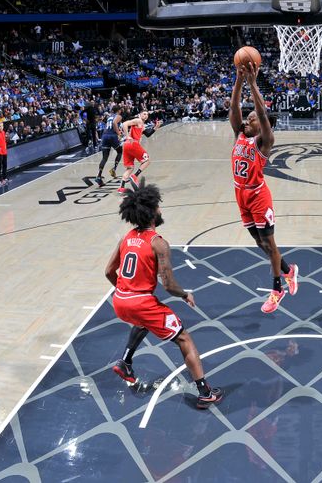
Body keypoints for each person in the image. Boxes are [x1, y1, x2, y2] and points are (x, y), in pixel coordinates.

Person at [104, 179, 223, 409]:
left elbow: (109, 271)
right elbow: (168, 284)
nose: (160, 209)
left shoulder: (126, 239)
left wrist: (123, 291)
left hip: (120, 301)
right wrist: (184, 294)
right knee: (184, 339)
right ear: (150, 213)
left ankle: (126, 362)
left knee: (142, 321)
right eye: (158, 206)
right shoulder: (158, 243)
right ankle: (205, 392)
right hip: (141, 303)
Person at [229, 62, 299, 312]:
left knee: (269, 245)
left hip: (258, 196)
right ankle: (290, 270)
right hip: (241, 195)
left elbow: (261, 113)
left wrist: (253, 83)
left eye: (252, 119)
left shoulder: (264, 142)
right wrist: (239, 80)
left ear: (261, 125)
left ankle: (277, 289)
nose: (246, 121)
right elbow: (233, 109)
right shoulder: (241, 135)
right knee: (261, 245)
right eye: (246, 119)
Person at [117, 110, 159, 194]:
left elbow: (147, 134)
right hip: (133, 144)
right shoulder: (138, 120)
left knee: (130, 167)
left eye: (147, 114)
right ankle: (135, 176)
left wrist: (156, 127)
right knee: (147, 161)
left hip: (126, 146)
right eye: (144, 114)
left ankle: (121, 188)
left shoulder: (141, 124)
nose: (146, 115)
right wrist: (127, 136)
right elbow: (124, 124)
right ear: (140, 114)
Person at [96, 105, 124, 186]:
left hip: (105, 136)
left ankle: (98, 176)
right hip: (112, 136)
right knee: (119, 151)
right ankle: (114, 169)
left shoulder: (109, 117)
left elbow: (106, 127)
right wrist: (118, 134)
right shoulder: (118, 116)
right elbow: (115, 123)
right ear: (119, 110)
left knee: (104, 158)